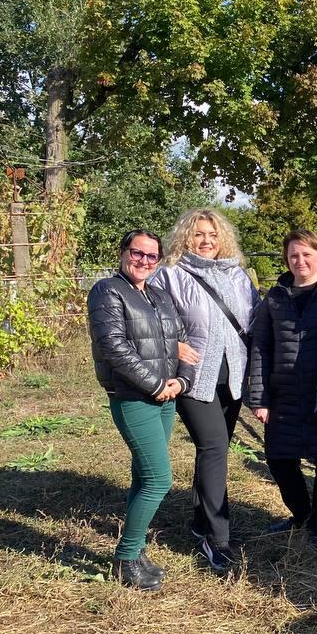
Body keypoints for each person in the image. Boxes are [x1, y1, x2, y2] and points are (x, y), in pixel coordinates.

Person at [149, 208, 259, 574]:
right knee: (213, 446)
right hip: (194, 377)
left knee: (214, 448)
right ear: (185, 236)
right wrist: (172, 345)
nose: (206, 240)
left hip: (234, 376)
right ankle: (219, 540)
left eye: (212, 234)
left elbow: (256, 320)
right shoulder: (169, 275)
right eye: (198, 234)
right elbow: (151, 319)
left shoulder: (238, 276)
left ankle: (200, 522)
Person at [87, 229, 195, 591]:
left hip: (166, 398)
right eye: (138, 253)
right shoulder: (107, 291)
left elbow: (182, 344)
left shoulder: (159, 296)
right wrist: (156, 384)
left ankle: (136, 549)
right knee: (159, 479)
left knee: (143, 475)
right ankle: (126, 556)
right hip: (135, 398)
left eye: (152, 257)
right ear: (123, 253)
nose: (144, 261)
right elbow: (114, 347)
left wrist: (182, 381)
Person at [247, 230, 317, 548]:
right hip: (284, 394)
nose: (300, 260)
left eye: (307, 254)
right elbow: (260, 346)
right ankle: (302, 514)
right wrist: (259, 397)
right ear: (286, 260)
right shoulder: (276, 297)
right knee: (279, 459)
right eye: (294, 255)